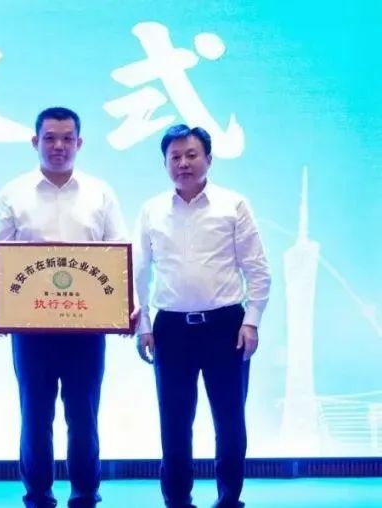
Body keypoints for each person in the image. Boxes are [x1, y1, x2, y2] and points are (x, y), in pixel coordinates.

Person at [0, 107, 130, 508]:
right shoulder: (13, 193)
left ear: (79, 143)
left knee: (83, 414)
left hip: (87, 327)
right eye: (50, 137)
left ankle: (85, 492)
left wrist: (127, 305)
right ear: (35, 142)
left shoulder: (101, 193)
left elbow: (119, 254)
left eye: (67, 138)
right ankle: (38, 494)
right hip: (31, 326)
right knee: (35, 414)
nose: (59, 145)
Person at [134, 124, 271, 508]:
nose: (183, 163)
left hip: (225, 326)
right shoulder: (151, 210)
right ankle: (178, 499)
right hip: (171, 328)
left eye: (191, 155)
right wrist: (144, 325)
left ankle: (229, 498)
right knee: (174, 422)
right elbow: (139, 273)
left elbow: (257, 268)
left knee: (229, 420)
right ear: (165, 163)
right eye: (175, 157)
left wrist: (252, 320)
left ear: (208, 159)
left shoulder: (233, 205)